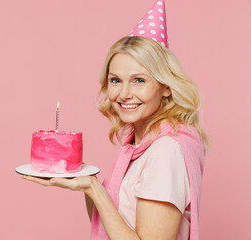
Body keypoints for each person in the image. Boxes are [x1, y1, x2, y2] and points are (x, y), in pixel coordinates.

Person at [23, 1, 208, 239]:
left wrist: (95, 188)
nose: (124, 94)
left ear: (166, 87)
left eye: (139, 80)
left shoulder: (166, 151)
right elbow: (111, 224)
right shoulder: (138, 146)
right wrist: (87, 184)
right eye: (116, 80)